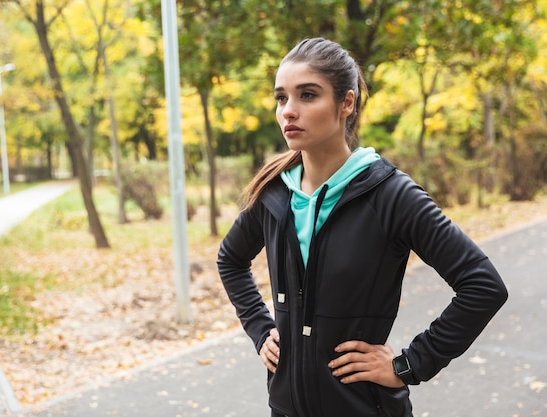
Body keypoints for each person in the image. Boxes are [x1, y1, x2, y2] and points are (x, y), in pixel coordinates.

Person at [217, 37, 508, 417]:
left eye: (307, 95)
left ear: (347, 103)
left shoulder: (390, 194)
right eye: (281, 98)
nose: (289, 111)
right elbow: (230, 260)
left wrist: (409, 364)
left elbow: (483, 286)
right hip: (286, 407)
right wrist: (260, 330)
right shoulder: (274, 193)